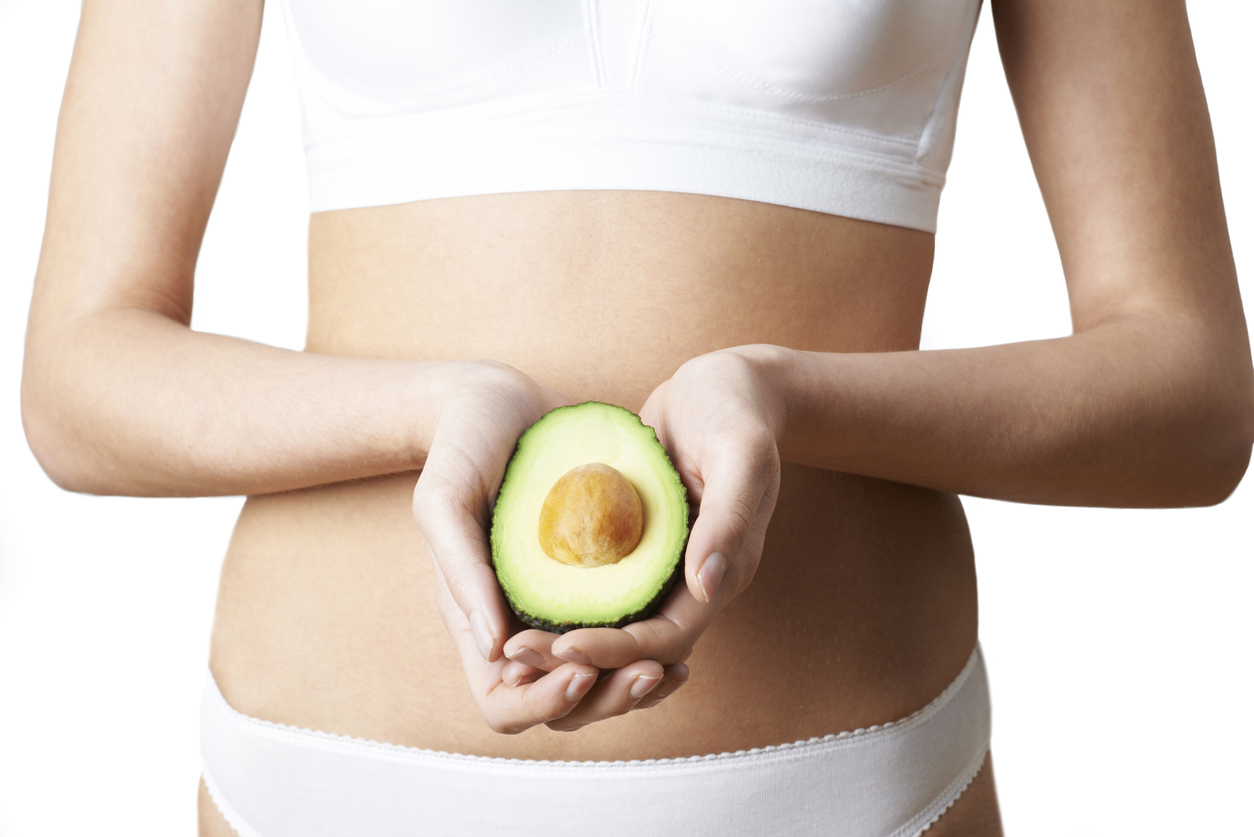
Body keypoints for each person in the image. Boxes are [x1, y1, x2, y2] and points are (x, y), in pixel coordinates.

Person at [20, 0, 1252, 835]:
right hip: (319, 788)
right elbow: (79, 381)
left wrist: (789, 395)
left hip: (842, 794)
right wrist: (428, 411)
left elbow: (1189, 397)